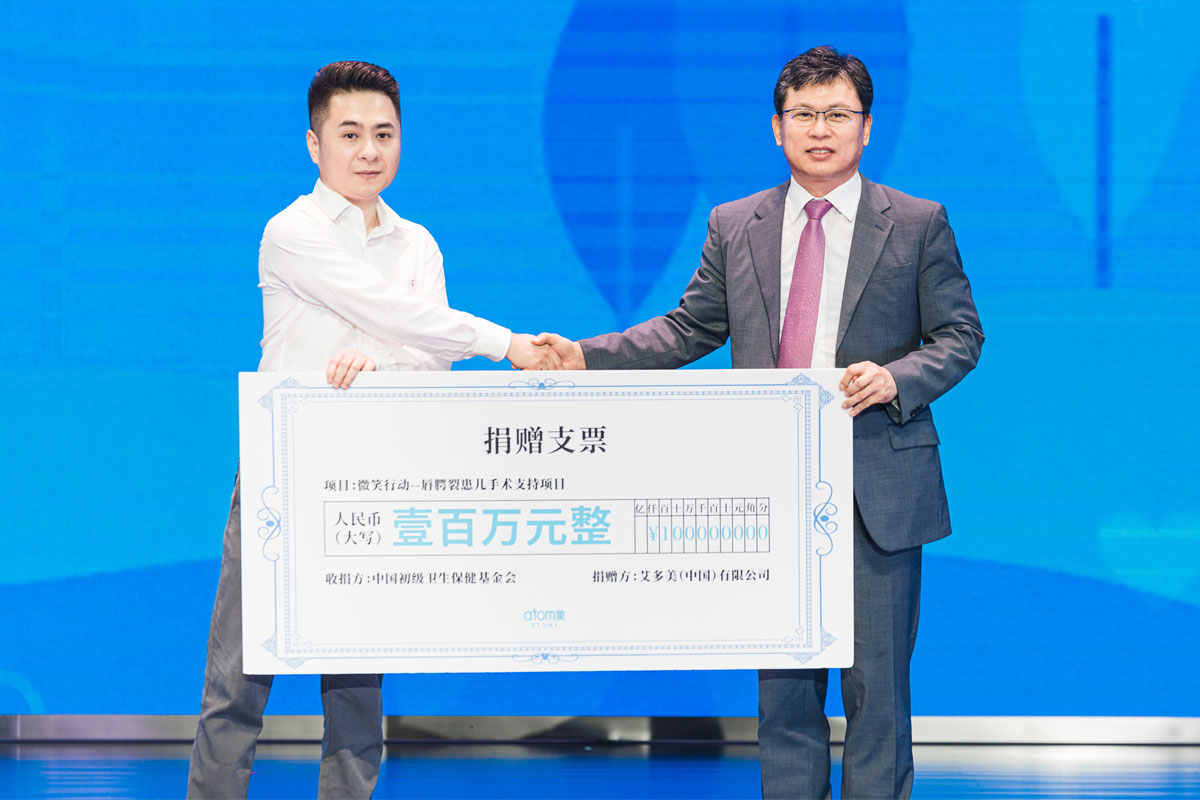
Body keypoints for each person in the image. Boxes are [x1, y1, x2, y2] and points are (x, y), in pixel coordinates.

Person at [537, 46, 983, 798]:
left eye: (837, 114)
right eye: (804, 115)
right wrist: (584, 356)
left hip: (876, 487)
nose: (820, 130)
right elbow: (687, 329)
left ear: (867, 126)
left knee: (878, 693)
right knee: (783, 699)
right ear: (777, 128)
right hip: (772, 490)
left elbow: (960, 335)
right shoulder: (735, 223)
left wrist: (896, 378)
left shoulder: (916, 223)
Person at [187, 60, 559, 799]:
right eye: (350, 133)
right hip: (285, 474)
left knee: (358, 692)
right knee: (238, 680)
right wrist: (504, 343)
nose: (368, 151)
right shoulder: (290, 231)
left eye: (384, 134)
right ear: (314, 143)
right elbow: (390, 311)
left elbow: (431, 366)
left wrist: (379, 364)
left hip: (376, 479)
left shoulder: (417, 243)